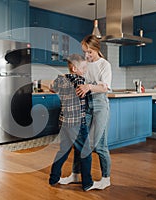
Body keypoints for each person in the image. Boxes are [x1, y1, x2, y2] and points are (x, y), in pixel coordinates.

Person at [59, 35, 112, 190]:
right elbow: (78, 78)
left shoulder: (104, 65)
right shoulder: (85, 64)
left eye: (89, 52)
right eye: (85, 52)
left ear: (96, 49)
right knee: (80, 142)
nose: (87, 55)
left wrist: (89, 87)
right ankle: (75, 174)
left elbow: (104, 87)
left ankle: (106, 178)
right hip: (86, 105)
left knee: (100, 145)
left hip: (100, 105)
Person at [49, 54, 101, 191]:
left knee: (63, 150)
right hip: (77, 124)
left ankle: (53, 178)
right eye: (83, 67)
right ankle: (87, 183)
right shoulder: (80, 82)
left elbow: (51, 87)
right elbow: (90, 93)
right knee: (86, 153)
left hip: (64, 122)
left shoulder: (61, 79)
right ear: (74, 68)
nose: (85, 70)